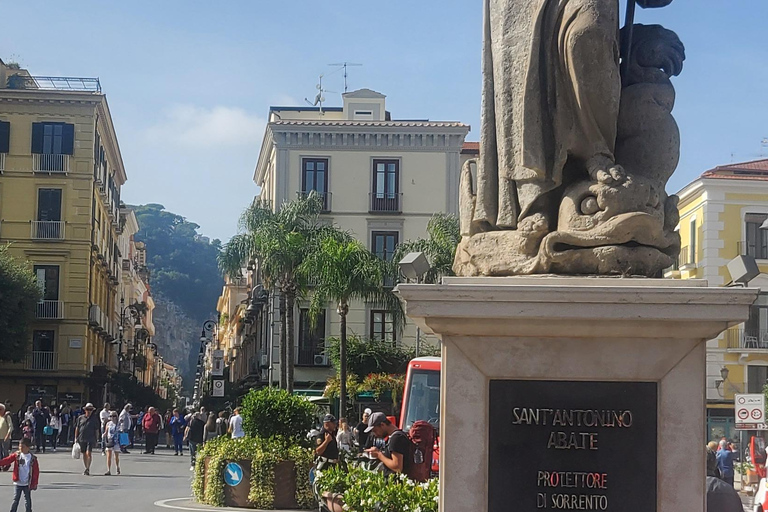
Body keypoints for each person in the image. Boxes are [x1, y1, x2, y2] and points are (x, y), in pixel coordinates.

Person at [364, 412, 410, 476]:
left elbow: (397, 467)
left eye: (375, 431)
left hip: (396, 483)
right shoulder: (395, 436)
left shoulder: (396, 438)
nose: (375, 434)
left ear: (382, 425)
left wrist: (379, 454)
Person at [0, 438, 39, 512]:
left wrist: (34, 482)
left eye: (23, 446)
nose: (20, 448)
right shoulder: (17, 455)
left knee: (27, 499)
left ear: (28, 447)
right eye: (19, 446)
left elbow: (36, 472)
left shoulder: (33, 458)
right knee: (15, 499)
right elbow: (7, 460)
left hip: (27, 483)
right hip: (18, 482)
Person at [74, 403, 100, 476]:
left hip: (91, 438)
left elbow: (97, 430)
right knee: (84, 453)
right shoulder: (80, 418)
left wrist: (97, 439)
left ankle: (88, 468)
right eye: (88, 409)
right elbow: (77, 428)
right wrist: (75, 438)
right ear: (85, 410)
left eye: (91, 409)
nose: (89, 411)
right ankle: (86, 467)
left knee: (89, 453)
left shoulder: (94, 419)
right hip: (81, 438)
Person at [102, 411, 121, 476]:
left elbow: (122, 431)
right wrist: (104, 435)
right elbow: (106, 431)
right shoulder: (108, 423)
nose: (112, 417)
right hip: (110, 441)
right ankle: (108, 470)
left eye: (114, 416)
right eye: (110, 416)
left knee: (116, 456)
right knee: (109, 456)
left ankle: (117, 467)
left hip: (116, 441)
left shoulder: (119, 423)